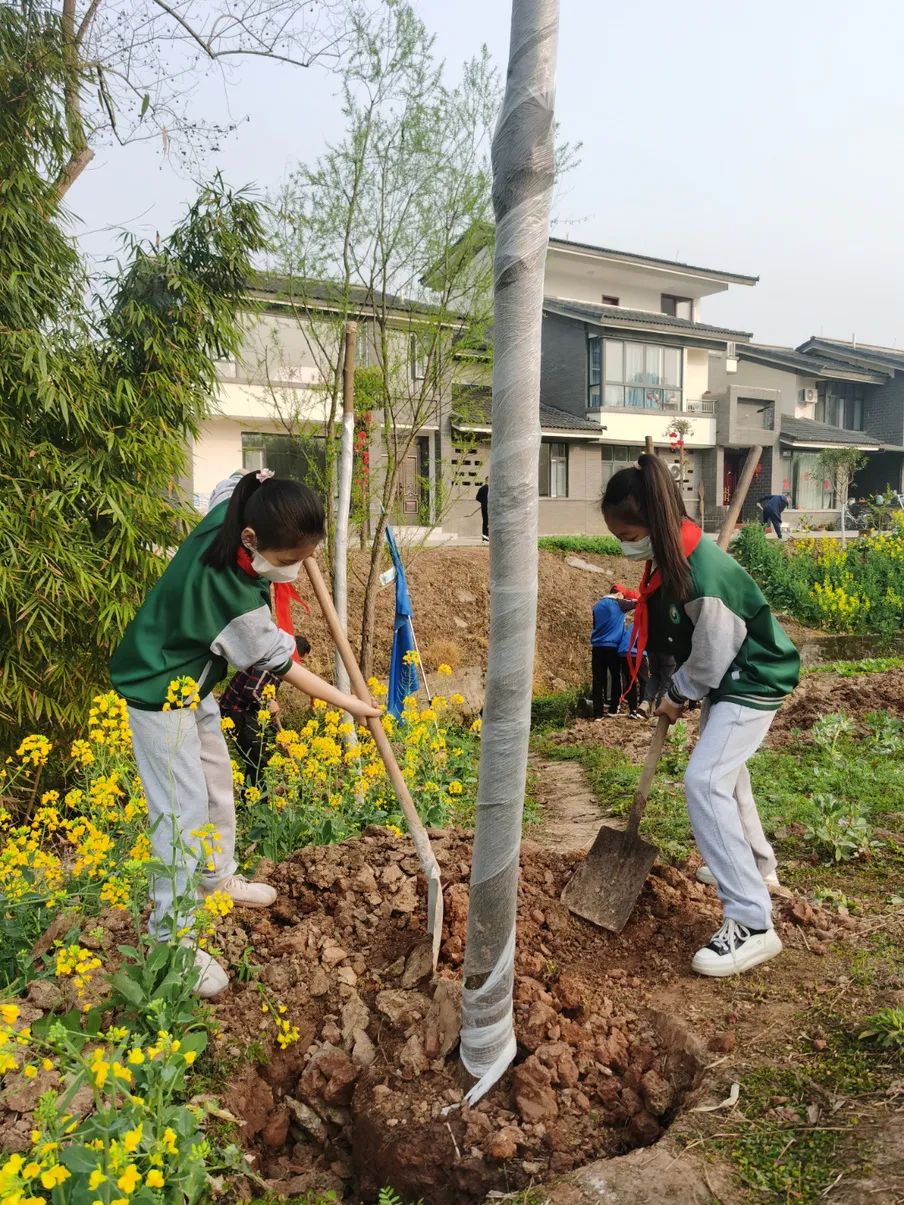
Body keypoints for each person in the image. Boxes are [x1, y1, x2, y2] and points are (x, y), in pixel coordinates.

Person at [110, 471, 381, 998]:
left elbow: (233, 484)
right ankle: (172, 946)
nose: (296, 571)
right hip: (157, 690)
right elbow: (286, 667)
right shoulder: (233, 598)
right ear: (252, 542)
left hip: (192, 686)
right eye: (287, 561)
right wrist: (354, 704)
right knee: (179, 814)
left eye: (304, 557)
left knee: (216, 783)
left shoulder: (231, 512)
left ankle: (218, 878)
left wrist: (265, 484)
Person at [603, 454, 800, 977]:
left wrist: (679, 692)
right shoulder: (674, 551)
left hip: (753, 676)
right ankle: (758, 869)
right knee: (728, 778)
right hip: (734, 674)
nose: (623, 544)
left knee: (704, 780)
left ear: (650, 524)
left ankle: (752, 922)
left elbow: (712, 653)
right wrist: (684, 688)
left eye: (625, 533)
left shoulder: (700, 570)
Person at [220, 634, 312, 786]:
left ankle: (256, 800)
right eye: (300, 659)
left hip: (246, 710)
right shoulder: (271, 662)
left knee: (261, 758)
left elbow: (268, 707)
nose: (299, 664)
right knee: (258, 760)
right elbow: (252, 690)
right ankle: (254, 804)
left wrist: (279, 734)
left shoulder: (278, 668)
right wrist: (269, 702)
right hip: (235, 710)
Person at [591, 586, 627, 718]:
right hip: (612, 647)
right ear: (618, 594)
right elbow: (638, 602)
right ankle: (613, 708)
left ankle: (597, 713)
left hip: (597, 646)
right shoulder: (620, 603)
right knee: (616, 676)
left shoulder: (597, 605)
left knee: (598, 680)